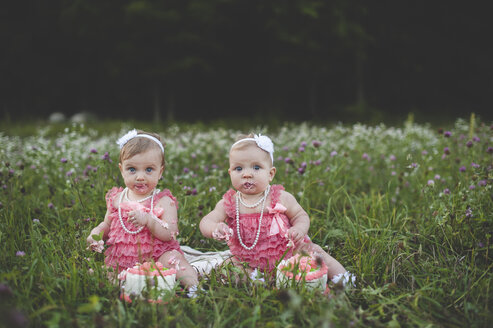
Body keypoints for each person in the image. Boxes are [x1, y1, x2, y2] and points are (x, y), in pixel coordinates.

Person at [200, 133, 355, 286]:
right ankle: (266, 281)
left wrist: (299, 229)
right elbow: (207, 220)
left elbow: (300, 215)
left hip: (289, 253)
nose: (247, 174)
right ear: (230, 173)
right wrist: (214, 228)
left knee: (315, 252)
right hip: (247, 260)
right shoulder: (230, 202)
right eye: (238, 168)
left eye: (256, 167)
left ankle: (343, 279)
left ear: (271, 174)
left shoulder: (280, 197)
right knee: (226, 269)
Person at [86, 129, 199, 293]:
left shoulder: (163, 201)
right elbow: (107, 224)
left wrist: (149, 220)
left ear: (160, 172)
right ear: (121, 169)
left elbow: (170, 233)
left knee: (174, 260)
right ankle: (127, 285)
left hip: (157, 256)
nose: (140, 177)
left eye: (148, 170)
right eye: (132, 169)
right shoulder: (117, 198)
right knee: (104, 274)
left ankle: (194, 288)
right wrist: (96, 233)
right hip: (122, 258)